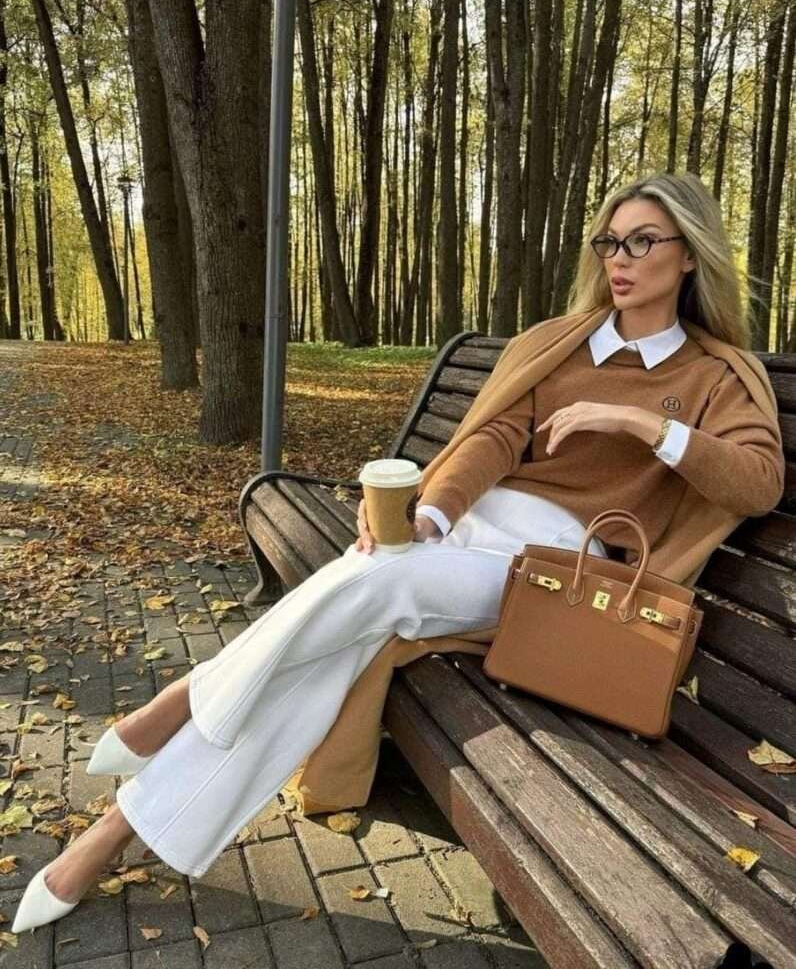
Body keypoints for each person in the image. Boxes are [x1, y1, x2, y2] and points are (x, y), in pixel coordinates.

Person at [12, 170, 785, 932]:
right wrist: (432, 517)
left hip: (555, 572)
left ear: (689, 255)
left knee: (379, 584)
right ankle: (118, 829)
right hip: (463, 538)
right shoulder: (559, 343)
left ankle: (182, 704)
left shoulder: (713, 375)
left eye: (642, 240)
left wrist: (647, 427)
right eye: (609, 241)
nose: (619, 257)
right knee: (342, 634)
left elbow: (757, 481)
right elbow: (492, 437)